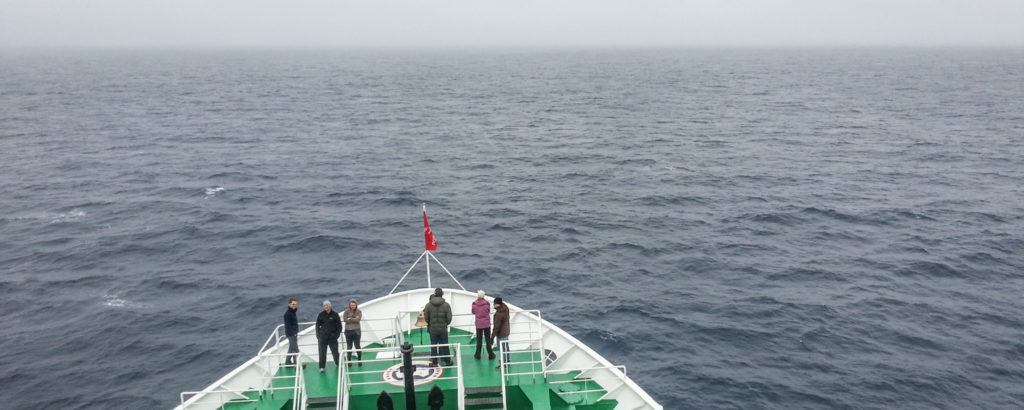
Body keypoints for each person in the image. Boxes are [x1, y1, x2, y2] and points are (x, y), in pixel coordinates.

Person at [422, 287, 452, 367]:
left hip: (433, 329)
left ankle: (434, 362)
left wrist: (431, 323)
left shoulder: (428, 305)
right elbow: (449, 318)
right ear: (442, 294)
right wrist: (445, 324)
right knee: (445, 345)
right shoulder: (446, 305)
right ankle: (447, 361)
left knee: (433, 345)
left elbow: (426, 318)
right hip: (443, 329)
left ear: (435, 294)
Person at [315, 300, 342, 373]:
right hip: (323, 337)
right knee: (322, 353)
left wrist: (337, 335)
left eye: (327, 305)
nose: (326, 307)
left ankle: (338, 363)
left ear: (330, 306)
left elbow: (339, 326)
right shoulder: (320, 315)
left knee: (335, 352)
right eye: (324, 306)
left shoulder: (335, 315)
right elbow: (317, 326)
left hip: (332, 337)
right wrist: (318, 336)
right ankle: (322, 367)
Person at [471, 290, 495, 360]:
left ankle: (477, 355)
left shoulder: (474, 304)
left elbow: (473, 312)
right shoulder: (487, 304)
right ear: (483, 296)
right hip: (486, 324)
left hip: (478, 325)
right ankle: (491, 355)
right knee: (488, 340)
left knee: (479, 340)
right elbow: (488, 311)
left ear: (478, 296)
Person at [491, 297, 511, 369]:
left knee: (502, 349)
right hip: (506, 331)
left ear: (498, 304)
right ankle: (507, 360)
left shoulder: (499, 314)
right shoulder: (505, 308)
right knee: (506, 347)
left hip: (501, 334)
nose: (493, 305)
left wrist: (492, 337)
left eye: (494, 303)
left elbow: (496, 327)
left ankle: (504, 364)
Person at [343, 298, 363, 367]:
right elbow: (345, 320)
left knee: (357, 346)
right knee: (349, 347)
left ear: (356, 305)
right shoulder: (346, 312)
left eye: (354, 305)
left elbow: (358, 319)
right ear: (349, 305)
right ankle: (349, 361)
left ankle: (359, 360)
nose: (352, 306)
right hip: (348, 331)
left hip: (357, 331)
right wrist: (354, 318)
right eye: (351, 305)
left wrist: (350, 318)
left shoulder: (359, 311)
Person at [283, 297, 299, 366]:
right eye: (293, 304)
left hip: (293, 333)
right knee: (295, 349)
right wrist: (294, 333)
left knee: (291, 347)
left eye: (295, 304)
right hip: (291, 334)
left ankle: (287, 362)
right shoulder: (288, 314)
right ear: (289, 304)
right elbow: (288, 326)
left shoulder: (293, 312)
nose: (294, 306)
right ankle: (296, 364)